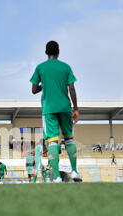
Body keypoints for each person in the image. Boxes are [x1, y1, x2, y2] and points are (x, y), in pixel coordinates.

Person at [30, 40, 82, 183]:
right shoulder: (66, 67)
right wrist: (76, 108)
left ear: (46, 53)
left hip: (49, 109)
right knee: (69, 138)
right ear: (58, 52)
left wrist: (45, 85)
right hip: (65, 107)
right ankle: (75, 172)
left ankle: (57, 177)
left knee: (52, 141)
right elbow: (71, 88)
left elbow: (34, 90)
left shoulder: (40, 68)